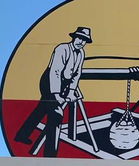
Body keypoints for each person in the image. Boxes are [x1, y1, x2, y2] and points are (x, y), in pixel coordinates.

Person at [14, 26, 92, 157]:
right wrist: (56, 94)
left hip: (64, 84)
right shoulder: (62, 49)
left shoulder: (81, 53)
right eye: (79, 38)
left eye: (84, 40)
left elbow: (77, 74)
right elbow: (55, 71)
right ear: (74, 37)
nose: (81, 42)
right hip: (49, 82)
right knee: (56, 114)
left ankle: (21, 135)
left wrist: (71, 91)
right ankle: (50, 155)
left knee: (41, 109)